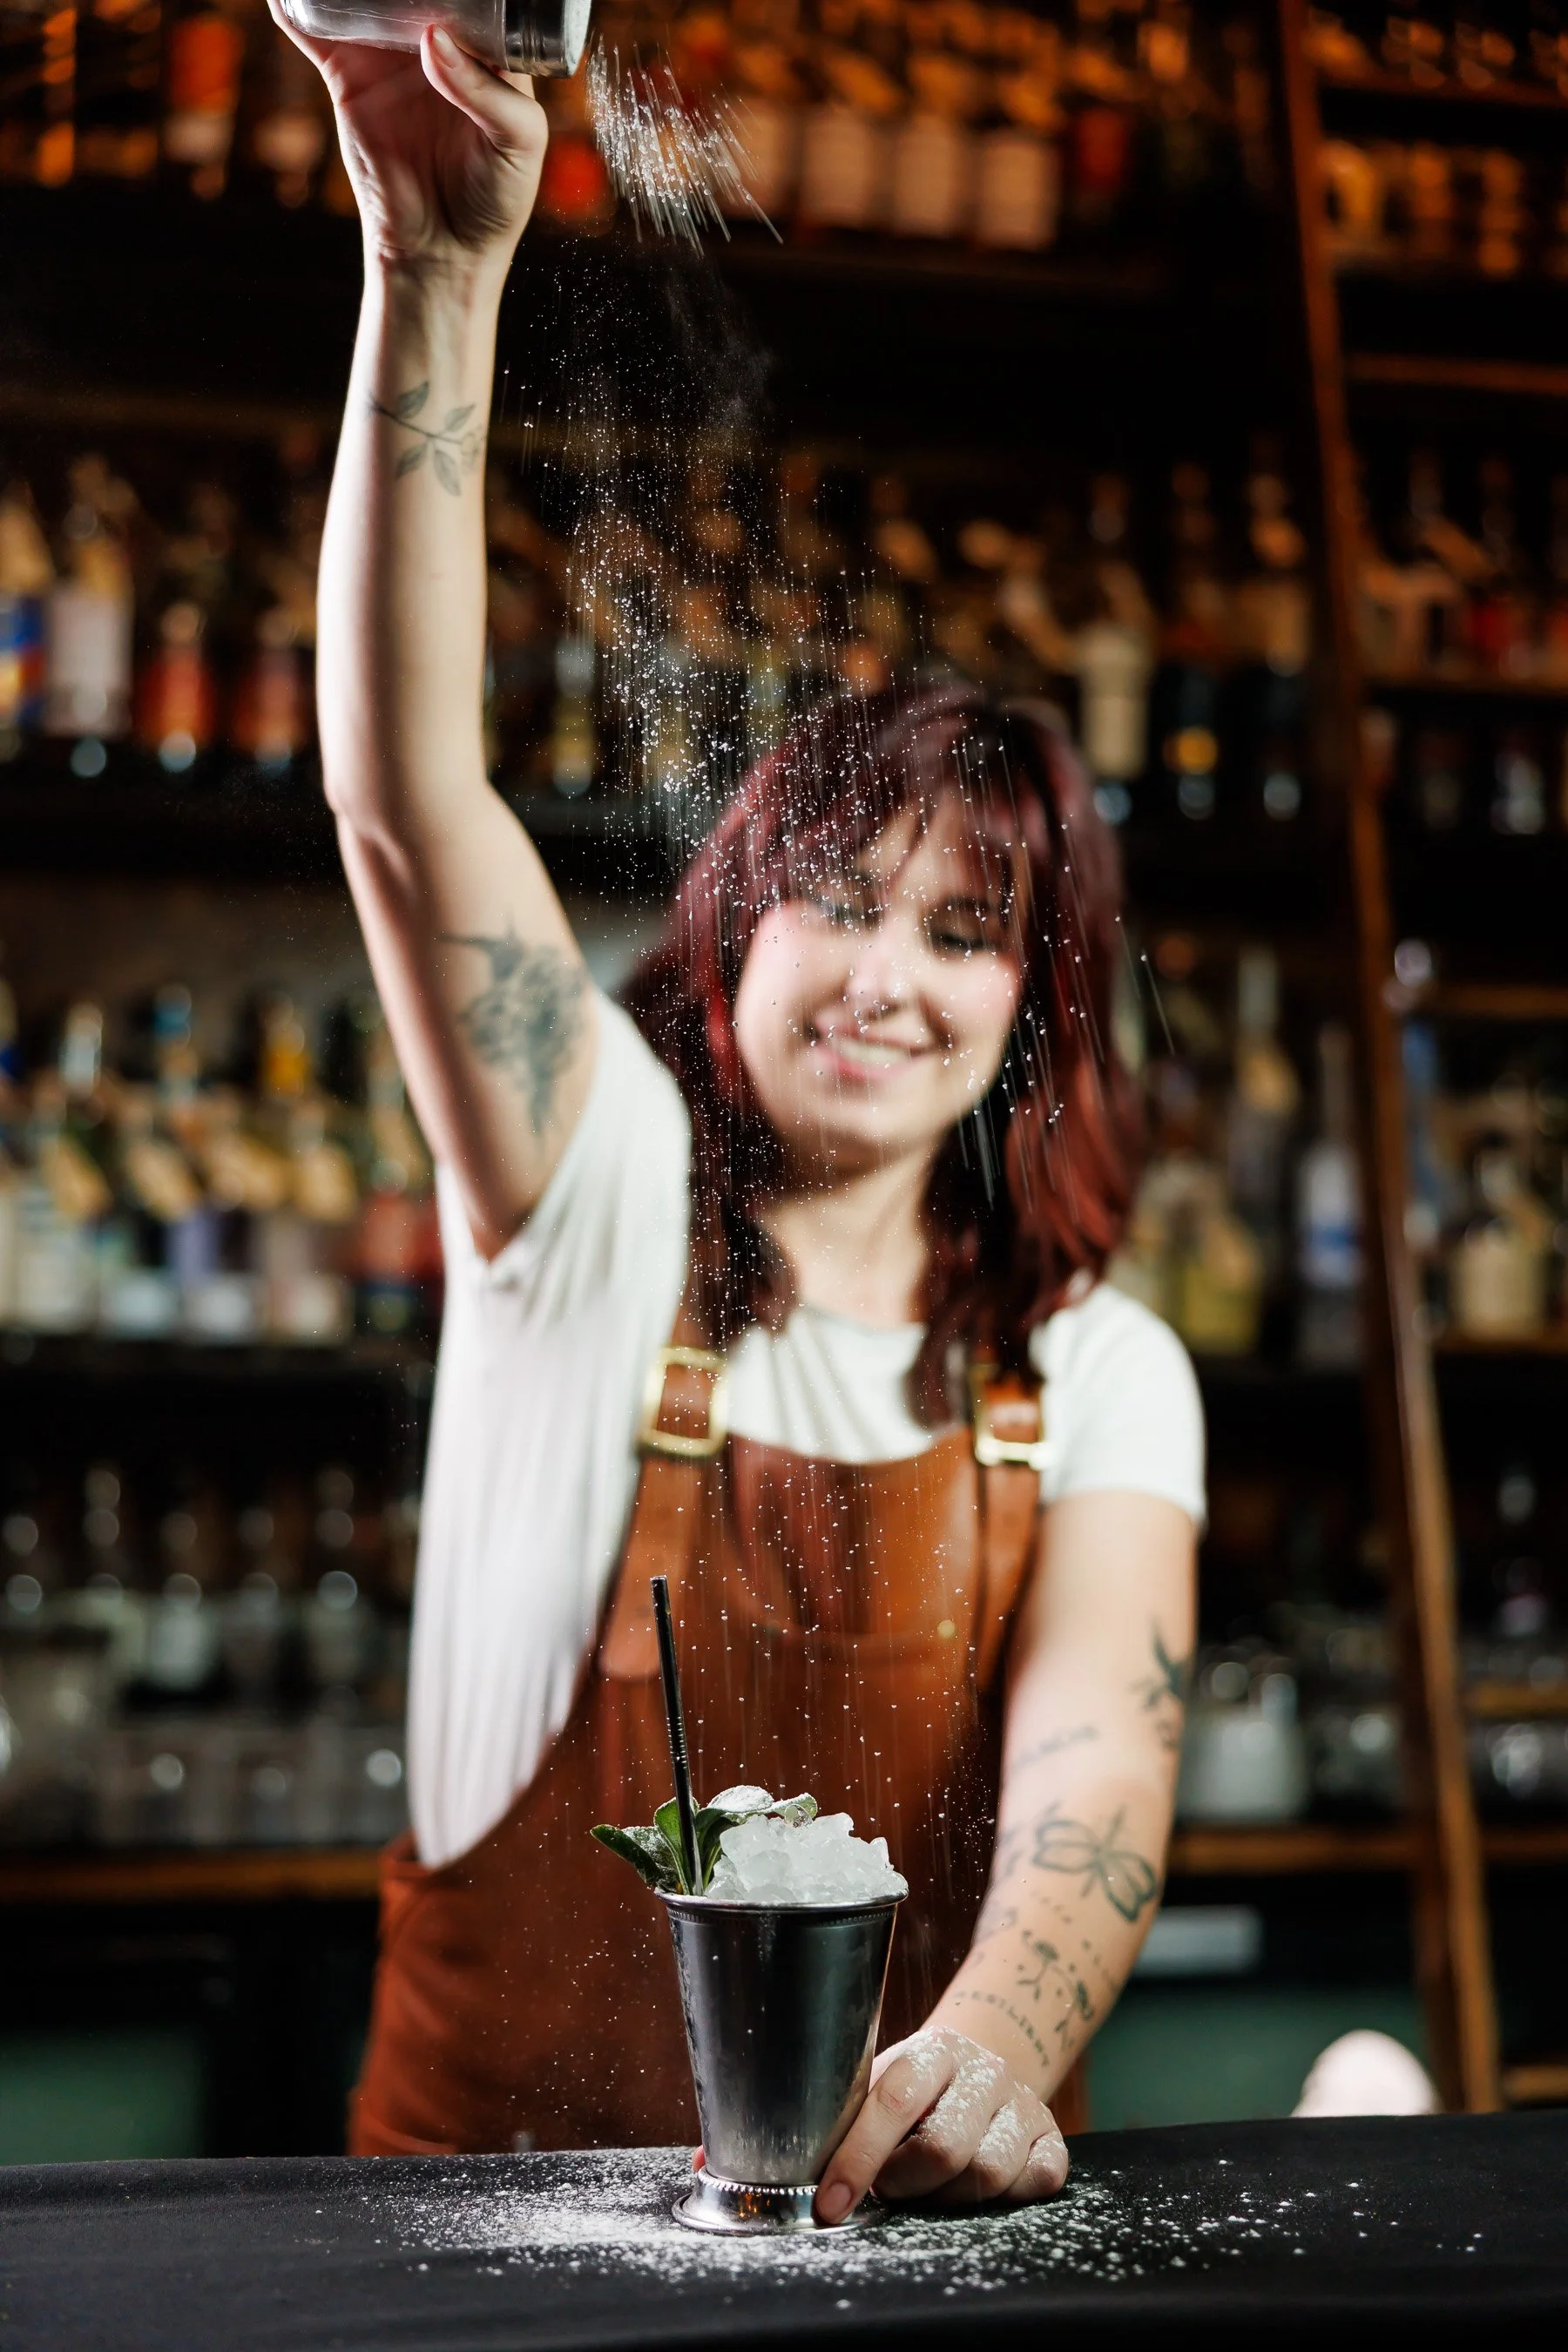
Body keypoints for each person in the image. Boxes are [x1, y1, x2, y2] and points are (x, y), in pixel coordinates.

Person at [274, 11, 1202, 2220]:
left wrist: (983, 2050)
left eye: (968, 932)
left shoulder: (1094, 1375)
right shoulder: (589, 1203)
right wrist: (438, 259)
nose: (890, 975)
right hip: (455, 2274)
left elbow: (1104, 1766)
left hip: (877, 2245)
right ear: (730, 934)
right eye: (833, 897)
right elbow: (406, 809)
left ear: (1030, 1009)